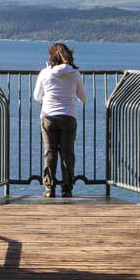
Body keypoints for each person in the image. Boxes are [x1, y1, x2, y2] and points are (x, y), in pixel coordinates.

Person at [33, 42, 86, 198]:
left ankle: (49, 187)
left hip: (48, 116)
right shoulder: (75, 73)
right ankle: (67, 188)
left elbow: (37, 97)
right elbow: (83, 96)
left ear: (52, 57)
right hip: (69, 116)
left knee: (50, 152)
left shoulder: (44, 73)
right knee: (67, 152)